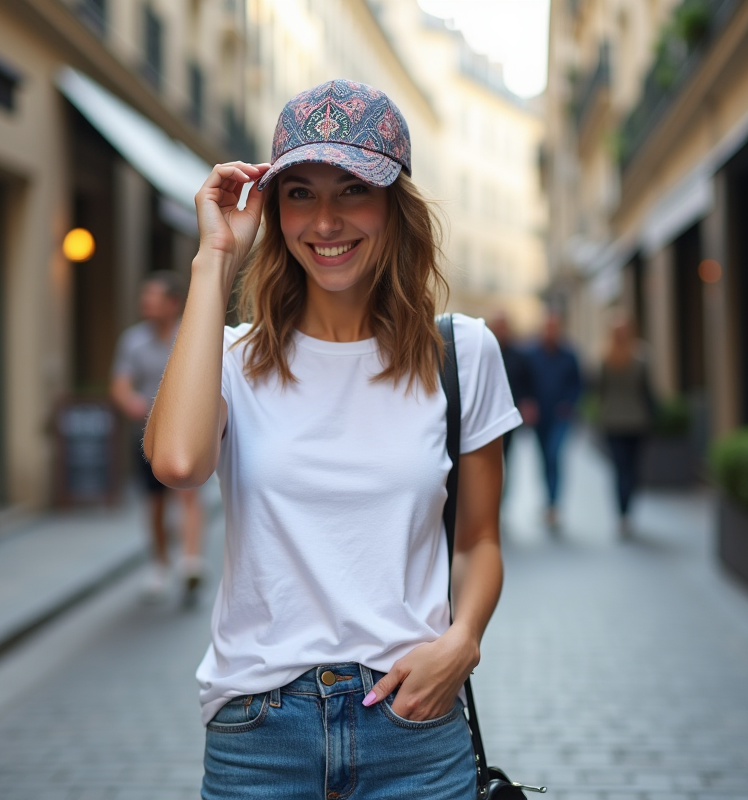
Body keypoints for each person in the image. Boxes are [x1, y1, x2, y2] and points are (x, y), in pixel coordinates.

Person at [144, 79, 520, 799]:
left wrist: (463, 642)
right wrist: (213, 259)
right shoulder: (230, 358)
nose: (325, 221)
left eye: (352, 190)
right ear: (274, 208)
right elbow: (179, 461)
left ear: (393, 206)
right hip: (259, 734)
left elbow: (479, 540)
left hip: (412, 723)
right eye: (300, 193)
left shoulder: (462, 353)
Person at [111, 271, 204, 601]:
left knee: (188, 495)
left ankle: (191, 563)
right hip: (147, 436)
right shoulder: (133, 341)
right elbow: (120, 385)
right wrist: (131, 402)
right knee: (154, 504)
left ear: (173, 303)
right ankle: (160, 565)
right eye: (144, 299)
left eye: (153, 299)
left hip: (184, 433)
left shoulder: (191, 335)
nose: (146, 305)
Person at [597, 315, 657, 538]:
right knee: (631, 469)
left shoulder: (607, 357)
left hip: (617, 421)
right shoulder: (638, 356)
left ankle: (623, 514)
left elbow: (600, 392)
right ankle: (626, 511)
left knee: (621, 469)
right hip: (634, 421)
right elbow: (647, 392)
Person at [523, 313, 581, 530]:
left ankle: (554, 504)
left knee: (554, 454)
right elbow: (525, 382)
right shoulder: (531, 354)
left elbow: (578, 384)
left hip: (560, 416)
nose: (550, 331)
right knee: (544, 458)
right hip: (540, 418)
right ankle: (548, 500)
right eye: (547, 327)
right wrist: (528, 403)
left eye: (554, 327)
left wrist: (569, 403)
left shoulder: (569, 355)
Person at [486, 310, 529, 479]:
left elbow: (526, 383)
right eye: (498, 326)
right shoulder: (484, 352)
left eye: (503, 327)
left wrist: (526, 403)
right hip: (488, 416)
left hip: (509, 415)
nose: (500, 330)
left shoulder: (518, 356)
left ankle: (502, 494)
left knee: (506, 456)